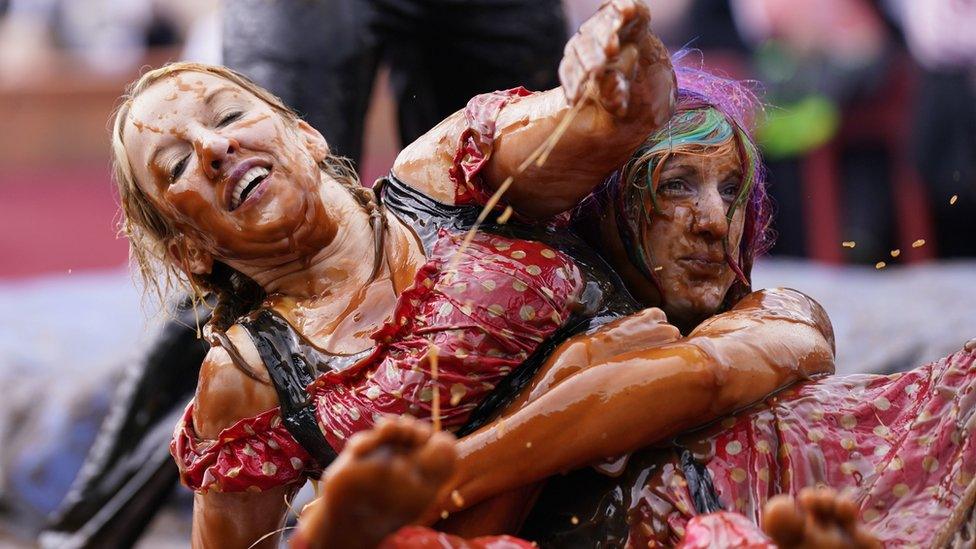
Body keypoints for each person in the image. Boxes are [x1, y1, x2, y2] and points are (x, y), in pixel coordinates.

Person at [110, 3, 727, 546]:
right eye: (177, 163)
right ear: (186, 249)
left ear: (307, 134)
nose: (213, 148)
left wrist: (615, 73)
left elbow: (591, 122)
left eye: (226, 118)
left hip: (721, 472)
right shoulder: (246, 376)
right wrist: (565, 385)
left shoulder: (439, 172)